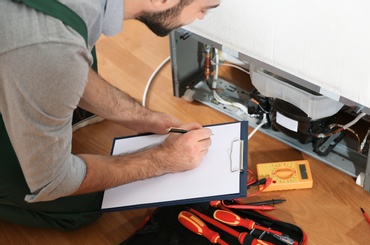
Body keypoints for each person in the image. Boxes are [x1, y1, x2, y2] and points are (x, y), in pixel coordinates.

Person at [0, 0, 220, 230]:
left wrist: (139, 116)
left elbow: (69, 62)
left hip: (35, 54)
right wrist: (162, 159)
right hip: (37, 54)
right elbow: (54, 181)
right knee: (83, 203)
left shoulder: (77, 20)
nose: (202, 16)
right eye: (204, 8)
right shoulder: (53, 44)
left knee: (78, 52)